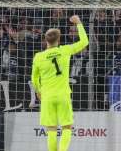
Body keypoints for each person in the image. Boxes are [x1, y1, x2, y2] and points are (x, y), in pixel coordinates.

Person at [31, 15, 89, 151]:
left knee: (51, 129)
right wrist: (79, 23)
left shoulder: (38, 57)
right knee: (67, 127)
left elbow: (34, 78)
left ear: (46, 40)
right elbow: (85, 41)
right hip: (63, 95)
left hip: (47, 96)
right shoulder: (64, 50)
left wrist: (39, 91)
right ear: (59, 40)